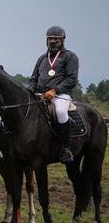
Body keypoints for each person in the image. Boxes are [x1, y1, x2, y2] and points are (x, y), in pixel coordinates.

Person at [29, 25, 78, 163]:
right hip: (40, 95)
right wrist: (31, 91)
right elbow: (33, 78)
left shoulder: (70, 56)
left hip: (61, 95)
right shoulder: (42, 58)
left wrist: (55, 90)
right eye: (50, 39)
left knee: (60, 112)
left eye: (56, 39)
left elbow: (71, 79)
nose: (53, 41)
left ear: (62, 40)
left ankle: (66, 148)